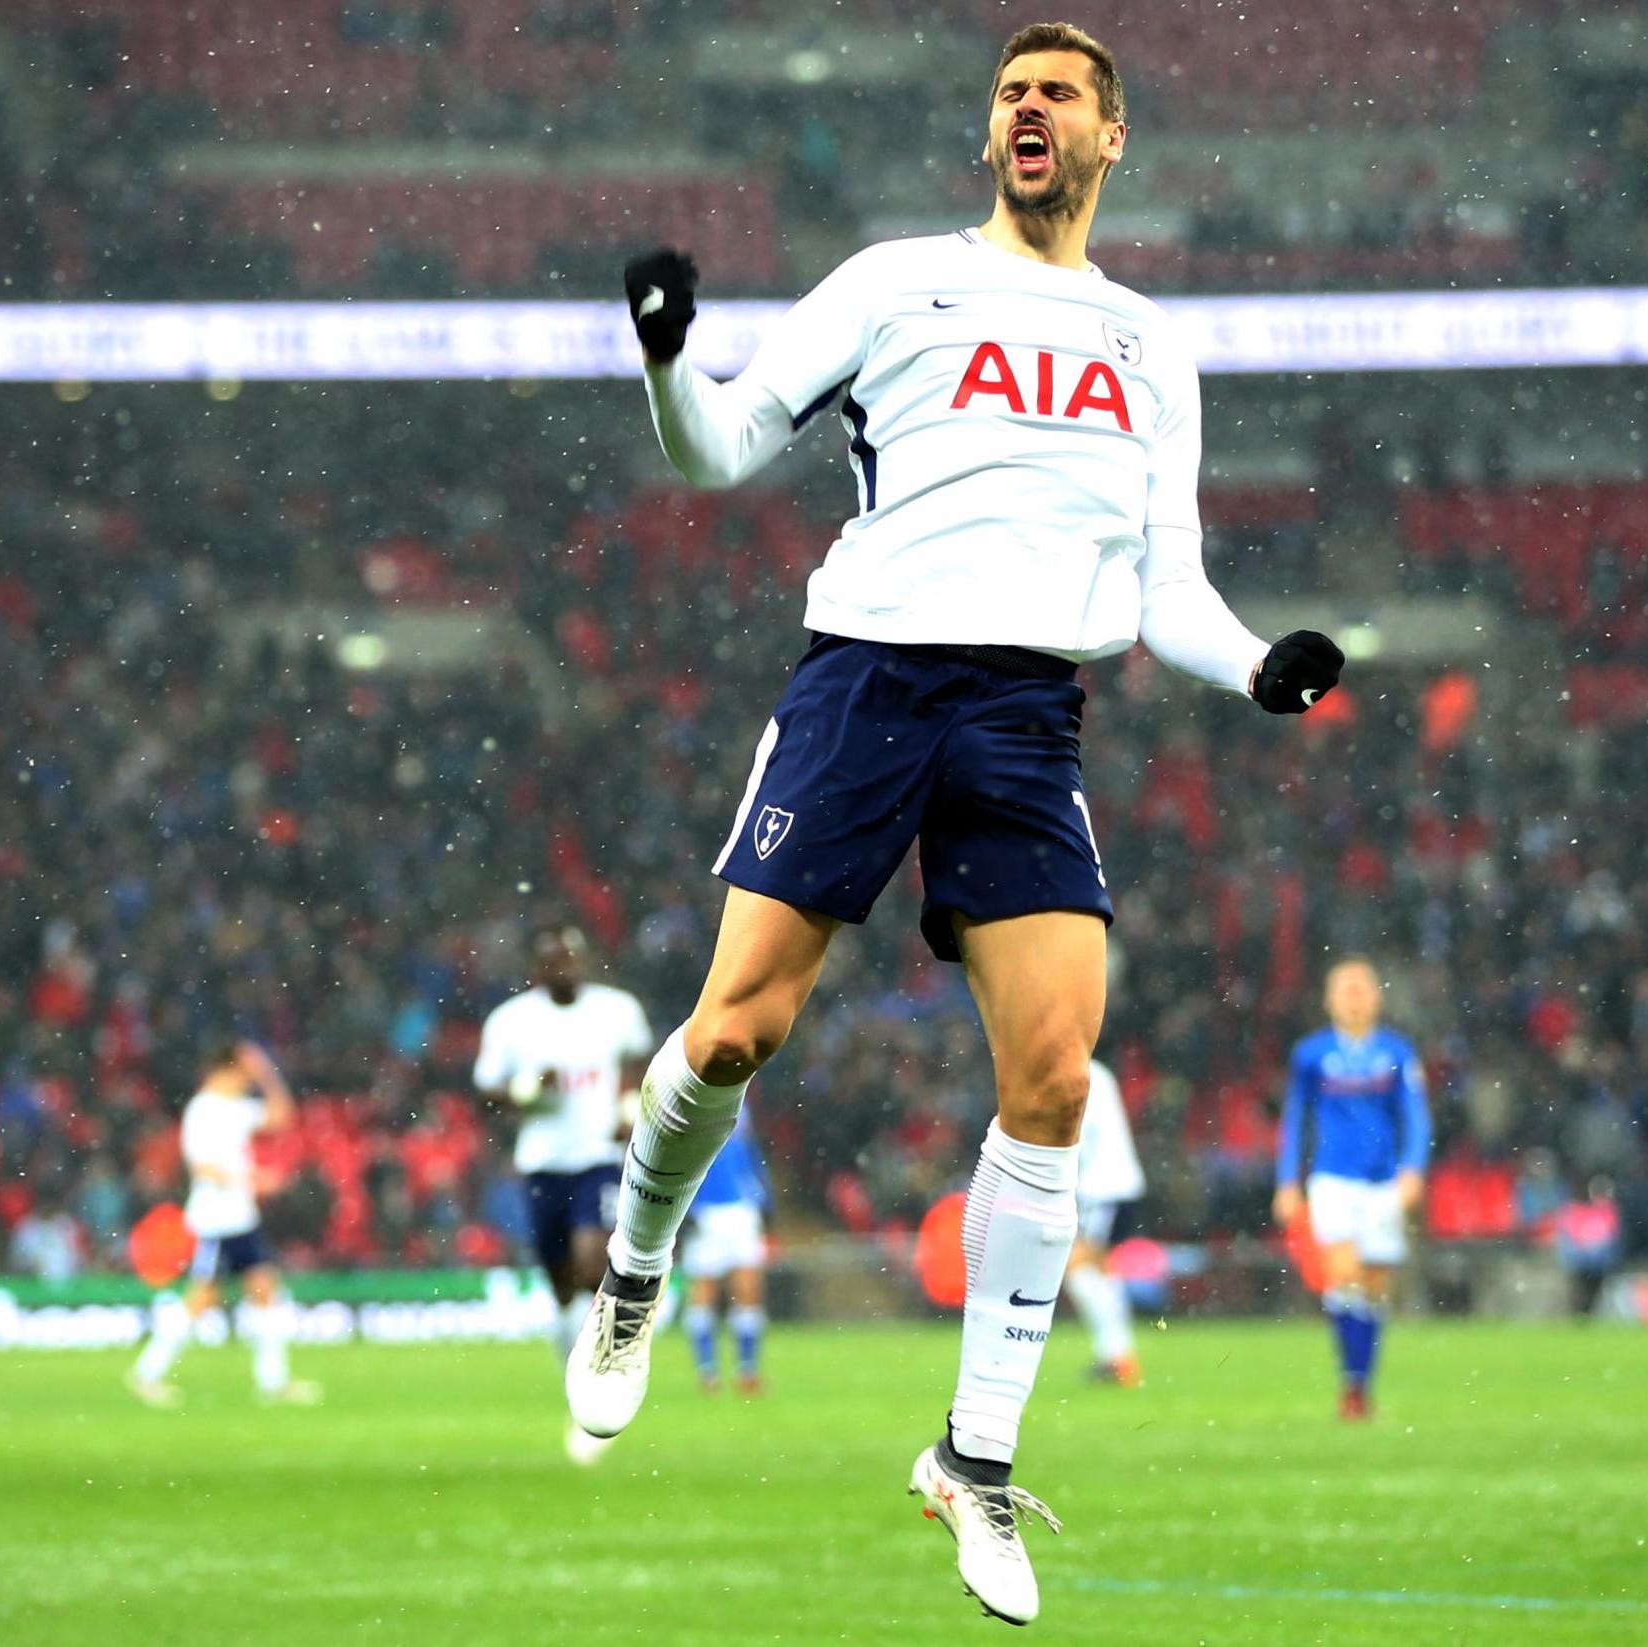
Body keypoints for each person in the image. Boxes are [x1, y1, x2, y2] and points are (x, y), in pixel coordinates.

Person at [565, 22, 1344, 1626]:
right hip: (866, 685)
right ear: (988, 136)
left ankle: (972, 1456)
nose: (1028, 109)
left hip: (1023, 714)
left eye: (1058, 91)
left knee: (1056, 1076)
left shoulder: (1147, 342)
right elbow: (715, 450)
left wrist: (1261, 665)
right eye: (1009, 93)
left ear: (1110, 136)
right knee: (729, 1037)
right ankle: (633, 1273)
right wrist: (662, 357)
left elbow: (1165, 591)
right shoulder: (890, 283)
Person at [473, 925, 655, 1463]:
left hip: (597, 1157)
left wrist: (630, 1111)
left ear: (585, 959)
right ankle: (582, 1389)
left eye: (573, 958)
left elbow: (639, 1063)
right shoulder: (512, 1022)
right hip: (541, 1163)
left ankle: (607, 1382)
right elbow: (487, 1091)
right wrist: (528, 1090)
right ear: (537, 968)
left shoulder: (617, 1010)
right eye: (554, 960)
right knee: (559, 1291)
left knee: (586, 1259)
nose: (565, 968)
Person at [1274, 958, 1431, 1421]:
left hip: (1383, 1183)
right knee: (1343, 1276)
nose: (1354, 996)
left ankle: (1361, 1384)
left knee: (1376, 1289)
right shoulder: (1311, 1054)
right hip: (1333, 1181)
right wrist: (1287, 1181)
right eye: (1345, 989)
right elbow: (1294, 1119)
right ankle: (1351, 1386)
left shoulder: (1397, 1052)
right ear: (1329, 1000)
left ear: (1377, 997)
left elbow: (1416, 1116)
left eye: (1361, 988)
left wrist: (1413, 1170)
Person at [127, 1040, 320, 1408]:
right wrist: (253, 1179)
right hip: (215, 1220)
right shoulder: (203, 1111)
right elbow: (202, 1167)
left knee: (264, 1290)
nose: (248, 1079)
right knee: (202, 1298)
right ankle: (147, 1372)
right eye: (245, 1072)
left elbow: (281, 1116)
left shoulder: (236, 1108)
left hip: (240, 1218)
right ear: (226, 1069)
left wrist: (266, 1073)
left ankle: (273, 1381)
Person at [1064, 1054, 1145, 1386]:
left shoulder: (1078, 1073)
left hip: (1101, 1188)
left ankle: (1119, 1355)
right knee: (1099, 1269)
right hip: (1115, 1184)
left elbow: (1084, 1135)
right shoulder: (1098, 1071)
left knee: (1078, 1268)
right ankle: (1116, 1356)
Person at [680, 1105, 769, 1395]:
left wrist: (764, 1201)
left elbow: (748, 1154)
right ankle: (707, 1372)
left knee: (747, 1291)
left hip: (742, 1209)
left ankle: (747, 1370)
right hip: (706, 1211)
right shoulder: (691, 1097)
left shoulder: (743, 1100)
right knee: (703, 1293)